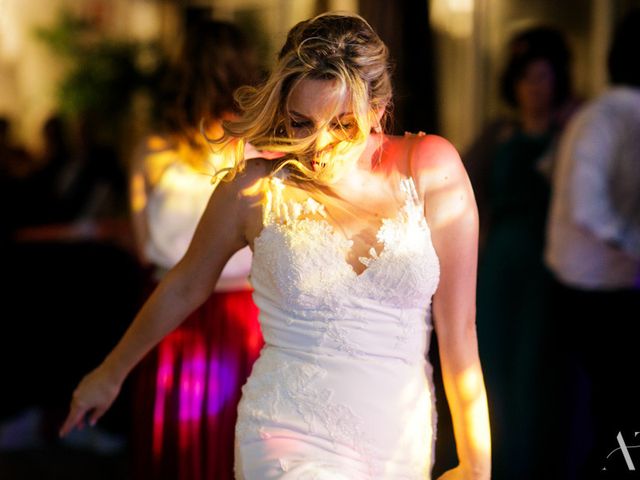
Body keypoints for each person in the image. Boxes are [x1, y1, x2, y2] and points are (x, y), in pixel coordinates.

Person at [61, 12, 491, 479]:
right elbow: (185, 284)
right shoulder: (252, 190)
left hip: (398, 436)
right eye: (301, 123)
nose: (319, 145)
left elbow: (459, 329)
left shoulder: (431, 167)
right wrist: (110, 372)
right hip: (287, 431)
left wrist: (475, 463)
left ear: (379, 105)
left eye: (343, 125)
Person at [128, 19, 263, 480]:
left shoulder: (152, 151)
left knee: (177, 452)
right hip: (249, 318)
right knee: (241, 447)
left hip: (170, 315)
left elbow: (145, 248)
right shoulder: (265, 154)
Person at [462, 25, 576, 479]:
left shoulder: (570, 131)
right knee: (490, 364)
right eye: (527, 79)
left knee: (536, 369)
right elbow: (462, 183)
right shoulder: (499, 132)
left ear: (557, 81)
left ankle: (534, 464)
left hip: (545, 265)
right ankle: (494, 464)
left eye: (543, 78)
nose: (534, 88)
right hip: (498, 263)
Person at [544, 8, 640, 478]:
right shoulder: (617, 112)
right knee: (606, 419)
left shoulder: (608, 111)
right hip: (595, 293)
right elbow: (585, 202)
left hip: (601, 288)